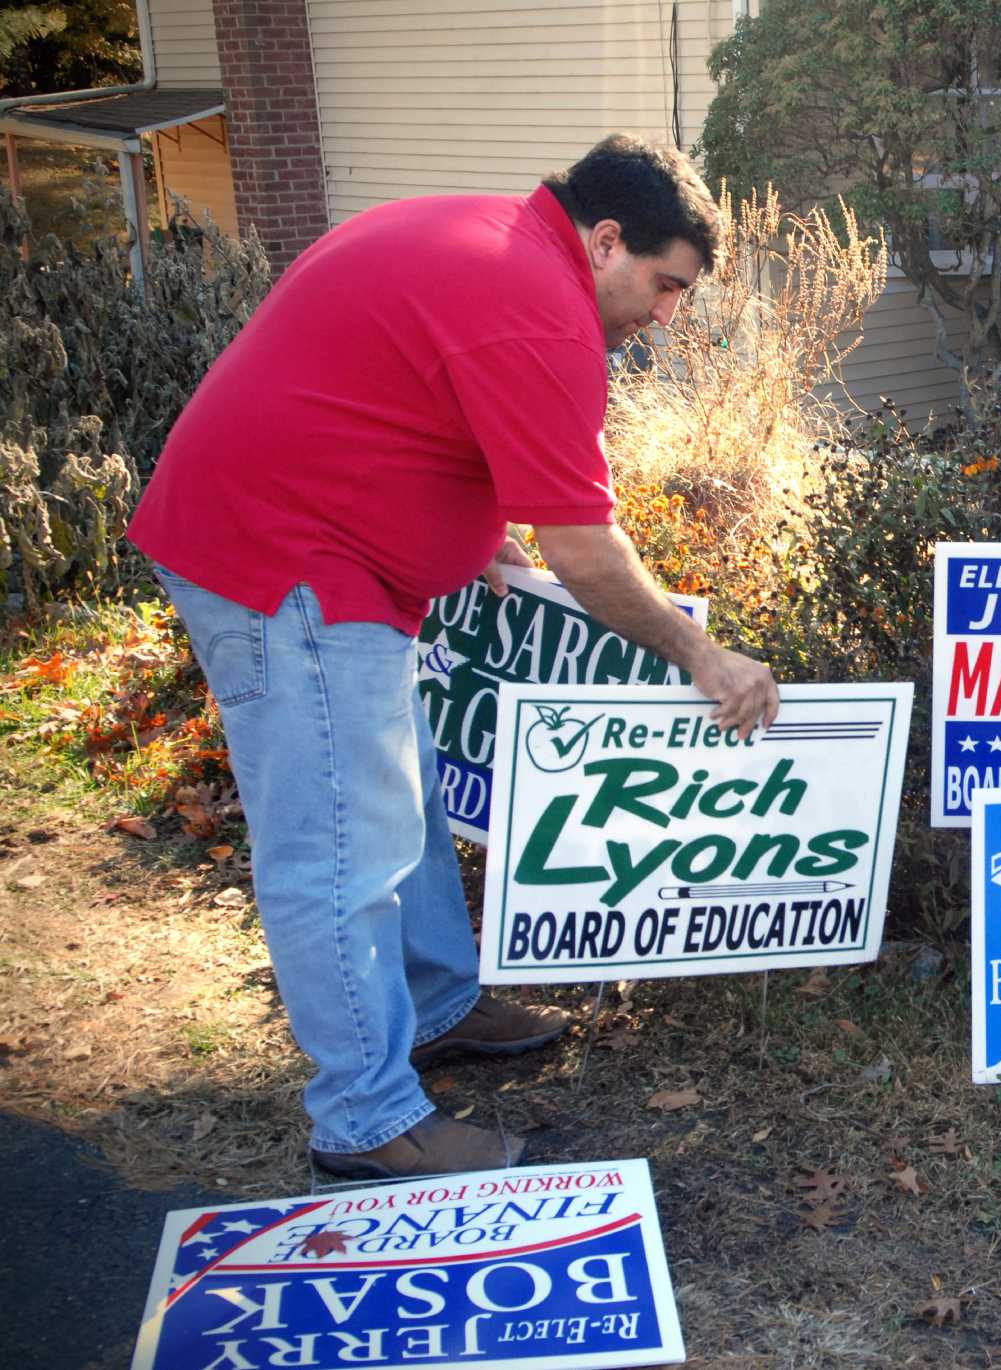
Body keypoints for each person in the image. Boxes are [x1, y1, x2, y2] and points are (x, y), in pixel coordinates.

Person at [126, 135, 779, 1180]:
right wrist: (701, 654)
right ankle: (366, 1114)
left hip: (302, 533)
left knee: (405, 794)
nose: (665, 317)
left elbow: (392, 396)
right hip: (281, 558)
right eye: (664, 286)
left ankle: (437, 1003)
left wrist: (467, 533)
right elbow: (585, 549)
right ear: (605, 240)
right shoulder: (539, 306)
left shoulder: (481, 237)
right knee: (341, 842)